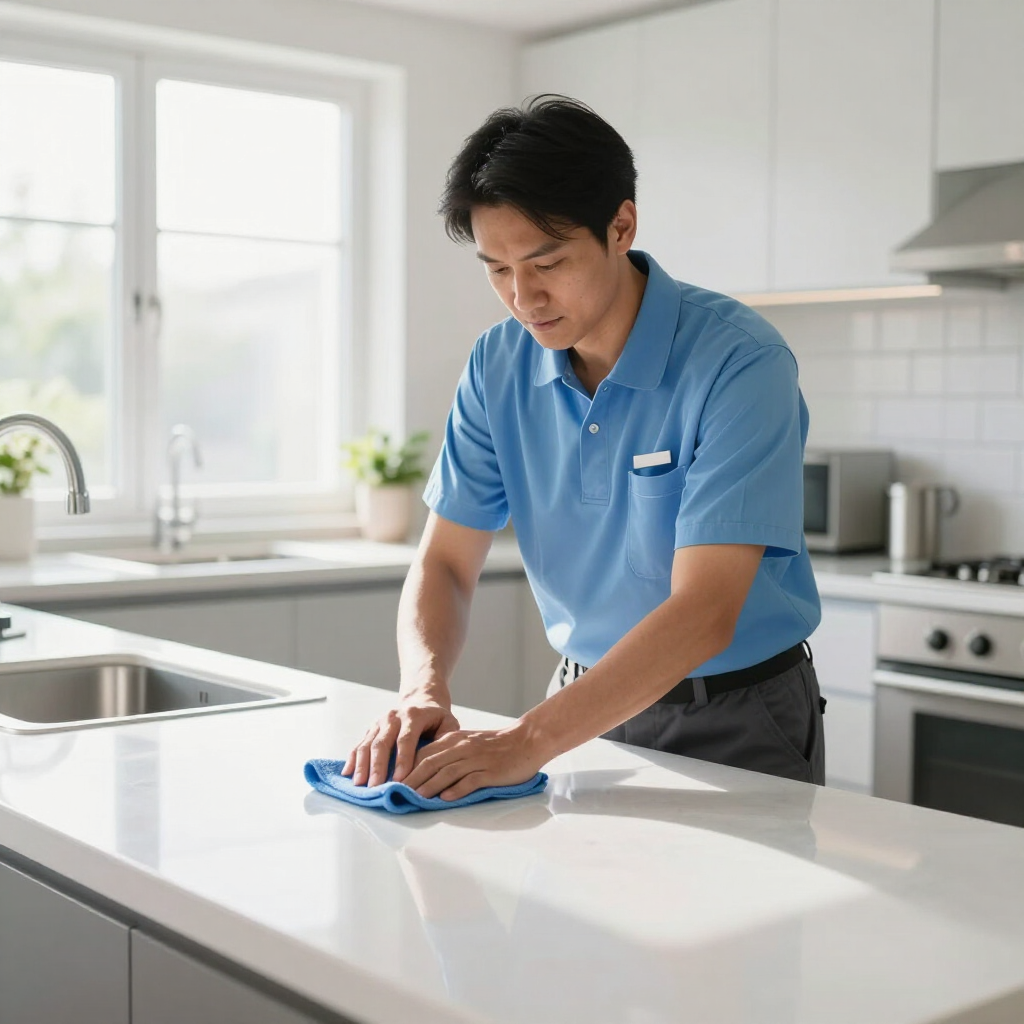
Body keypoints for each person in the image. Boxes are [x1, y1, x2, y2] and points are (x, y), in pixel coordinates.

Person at [342, 95, 824, 801]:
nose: (523, 297)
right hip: (579, 709)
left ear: (621, 225)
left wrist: (526, 740)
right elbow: (446, 561)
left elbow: (706, 611)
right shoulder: (496, 365)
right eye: (497, 269)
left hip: (737, 718)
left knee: (742, 914)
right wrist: (423, 686)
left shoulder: (739, 362)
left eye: (547, 262)